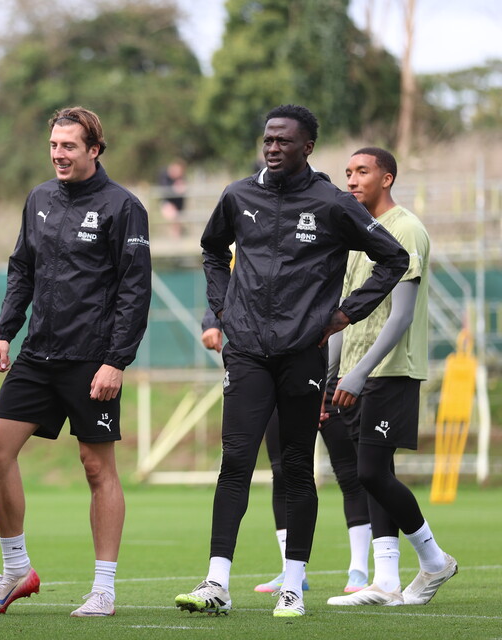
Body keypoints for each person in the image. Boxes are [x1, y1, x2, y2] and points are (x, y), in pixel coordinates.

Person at [174, 104, 408, 618]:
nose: (273, 147)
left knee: (298, 467)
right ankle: (216, 582)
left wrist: (346, 313)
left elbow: (394, 258)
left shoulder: (332, 203)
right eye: (268, 140)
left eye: (284, 140)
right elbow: (212, 250)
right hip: (247, 351)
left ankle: (293, 587)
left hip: (303, 353)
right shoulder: (238, 195)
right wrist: (223, 309)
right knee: (235, 462)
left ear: (307, 147)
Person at [0, 106, 151, 618]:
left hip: (93, 360)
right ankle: (15, 570)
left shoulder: (124, 207)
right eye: (54, 145)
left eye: (69, 146)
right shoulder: (39, 199)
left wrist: (116, 361)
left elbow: (134, 291)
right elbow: (21, 269)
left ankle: (104, 589)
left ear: (94, 149)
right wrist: (6, 331)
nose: (59, 153)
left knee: (97, 467)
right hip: (38, 354)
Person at [325, 147, 457, 607]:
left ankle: (435, 560)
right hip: (356, 372)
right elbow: (344, 316)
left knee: (370, 471)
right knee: (375, 473)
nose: (352, 179)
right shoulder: (360, 236)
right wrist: (332, 374)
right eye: (348, 172)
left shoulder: (406, 229)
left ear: (388, 178)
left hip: (390, 371)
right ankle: (385, 582)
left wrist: (359, 373)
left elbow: (400, 317)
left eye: (362, 171)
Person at [201, 311, 371, 595]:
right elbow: (227, 277)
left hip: (330, 382)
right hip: (274, 373)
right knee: (281, 471)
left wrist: (323, 386)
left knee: (349, 473)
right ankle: (292, 571)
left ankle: (359, 569)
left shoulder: (327, 275)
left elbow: (335, 327)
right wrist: (212, 321)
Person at [158, 159, 188, 236]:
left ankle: (176, 237)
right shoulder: (164, 176)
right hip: (167, 204)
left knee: (177, 220)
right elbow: (164, 190)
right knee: (174, 217)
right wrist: (174, 188)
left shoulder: (181, 178)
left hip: (178, 205)